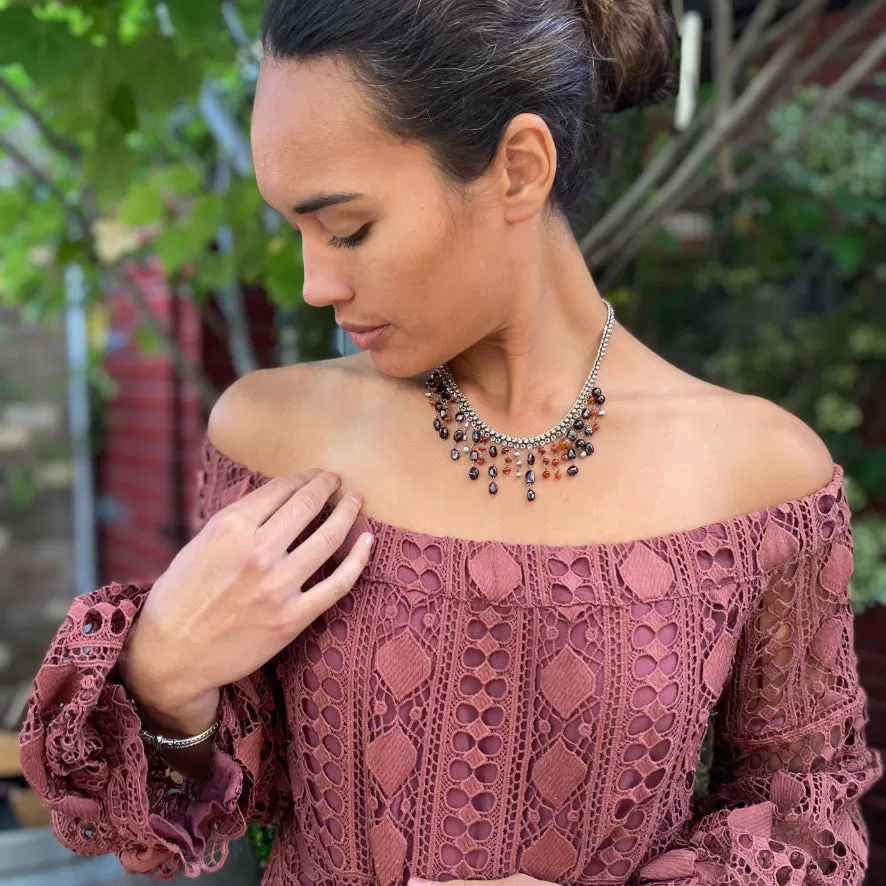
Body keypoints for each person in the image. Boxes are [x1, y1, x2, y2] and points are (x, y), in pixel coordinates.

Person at [18, 0, 883, 884]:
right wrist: (164, 667)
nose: (316, 282)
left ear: (518, 168)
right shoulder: (273, 436)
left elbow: (810, 815)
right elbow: (201, 802)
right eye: (297, 230)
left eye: (348, 227)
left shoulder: (759, 478)